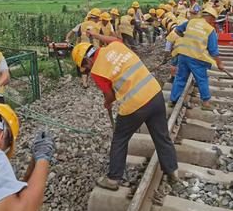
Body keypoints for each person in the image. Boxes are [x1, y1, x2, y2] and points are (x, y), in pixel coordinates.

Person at [71, 38, 178, 191]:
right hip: (154, 93)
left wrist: (107, 103)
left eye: (85, 66)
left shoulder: (97, 72)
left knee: (119, 139)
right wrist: (96, 34)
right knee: (161, 136)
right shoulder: (116, 45)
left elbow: (110, 96)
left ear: (87, 60)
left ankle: (113, 179)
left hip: (135, 105)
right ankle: (172, 171)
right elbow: (114, 39)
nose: (88, 69)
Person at [170, 7, 225, 110]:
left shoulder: (191, 22)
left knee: (180, 77)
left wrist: (185, 39)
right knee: (202, 79)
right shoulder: (209, 29)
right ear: (211, 17)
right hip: (196, 58)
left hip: (183, 54)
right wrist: (219, 63)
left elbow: (177, 30)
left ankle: (173, 100)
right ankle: (206, 104)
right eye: (213, 19)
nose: (213, 22)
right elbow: (214, 51)